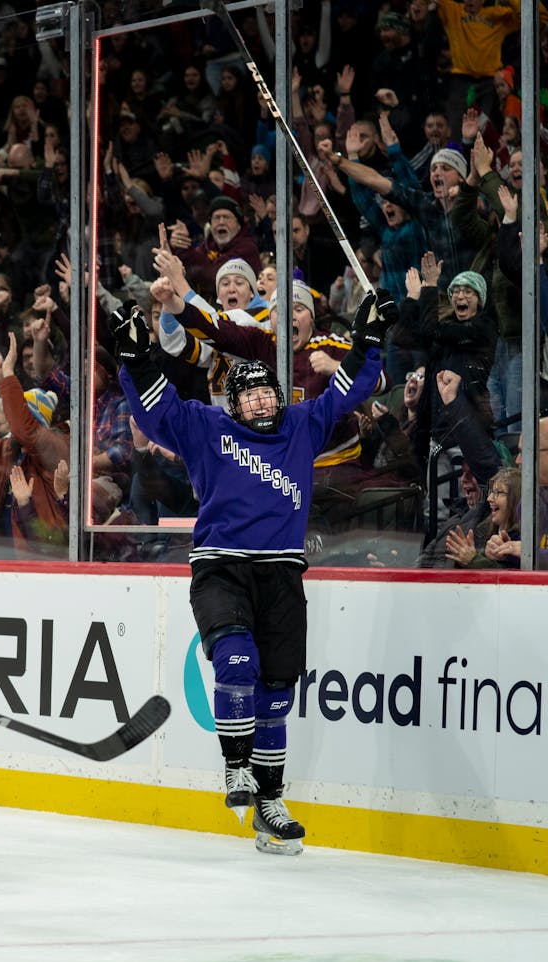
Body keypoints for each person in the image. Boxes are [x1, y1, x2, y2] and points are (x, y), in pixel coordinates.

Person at [114, 289, 393, 856]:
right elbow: (155, 406)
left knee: (275, 692)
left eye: (269, 392)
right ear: (233, 405)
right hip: (221, 568)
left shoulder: (304, 425)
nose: (263, 402)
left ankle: (270, 802)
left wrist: (368, 340)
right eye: (252, 396)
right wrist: (135, 360)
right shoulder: (205, 428)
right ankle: (235, 766)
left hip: (283, 574)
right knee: (238, 661)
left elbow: (351, 388)